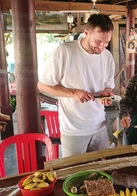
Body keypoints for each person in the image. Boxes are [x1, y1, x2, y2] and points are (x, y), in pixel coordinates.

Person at [38, 14, 115, 157]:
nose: (102, 47)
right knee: (73, 175)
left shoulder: (107, 57)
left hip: (99, 125)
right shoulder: (65, 51)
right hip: (74, 129)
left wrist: (106, 93)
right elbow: (42, 85)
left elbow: (108, 87)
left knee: (103, 171)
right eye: (98, 41)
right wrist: (73, 93)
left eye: (106, 43)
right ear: (86, 32)